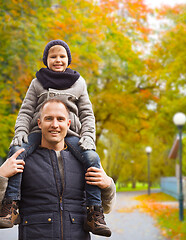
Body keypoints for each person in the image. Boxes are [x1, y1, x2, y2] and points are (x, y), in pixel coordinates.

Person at [0, 40, 111, 236]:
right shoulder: (37, 82)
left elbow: (87, 114)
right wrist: (19, 135)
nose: (58, 60)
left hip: (76, 137)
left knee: (92, 158)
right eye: (53, 56)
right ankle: (11, 206)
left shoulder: (78, 82)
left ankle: (94, 213)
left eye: (62, 56)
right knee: (16, 152)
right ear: (46, 60)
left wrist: (108, 183)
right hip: (35, 230)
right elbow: (25, 111)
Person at [0, 99, 116, 239]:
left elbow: (107, 208)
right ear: (39, 123)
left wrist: (108, 186)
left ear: (68, 124)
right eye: (48, 118)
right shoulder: (21, 160)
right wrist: (1, 175)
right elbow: (4, 209)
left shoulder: (84, 161)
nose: (55, 125)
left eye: (60, 119)